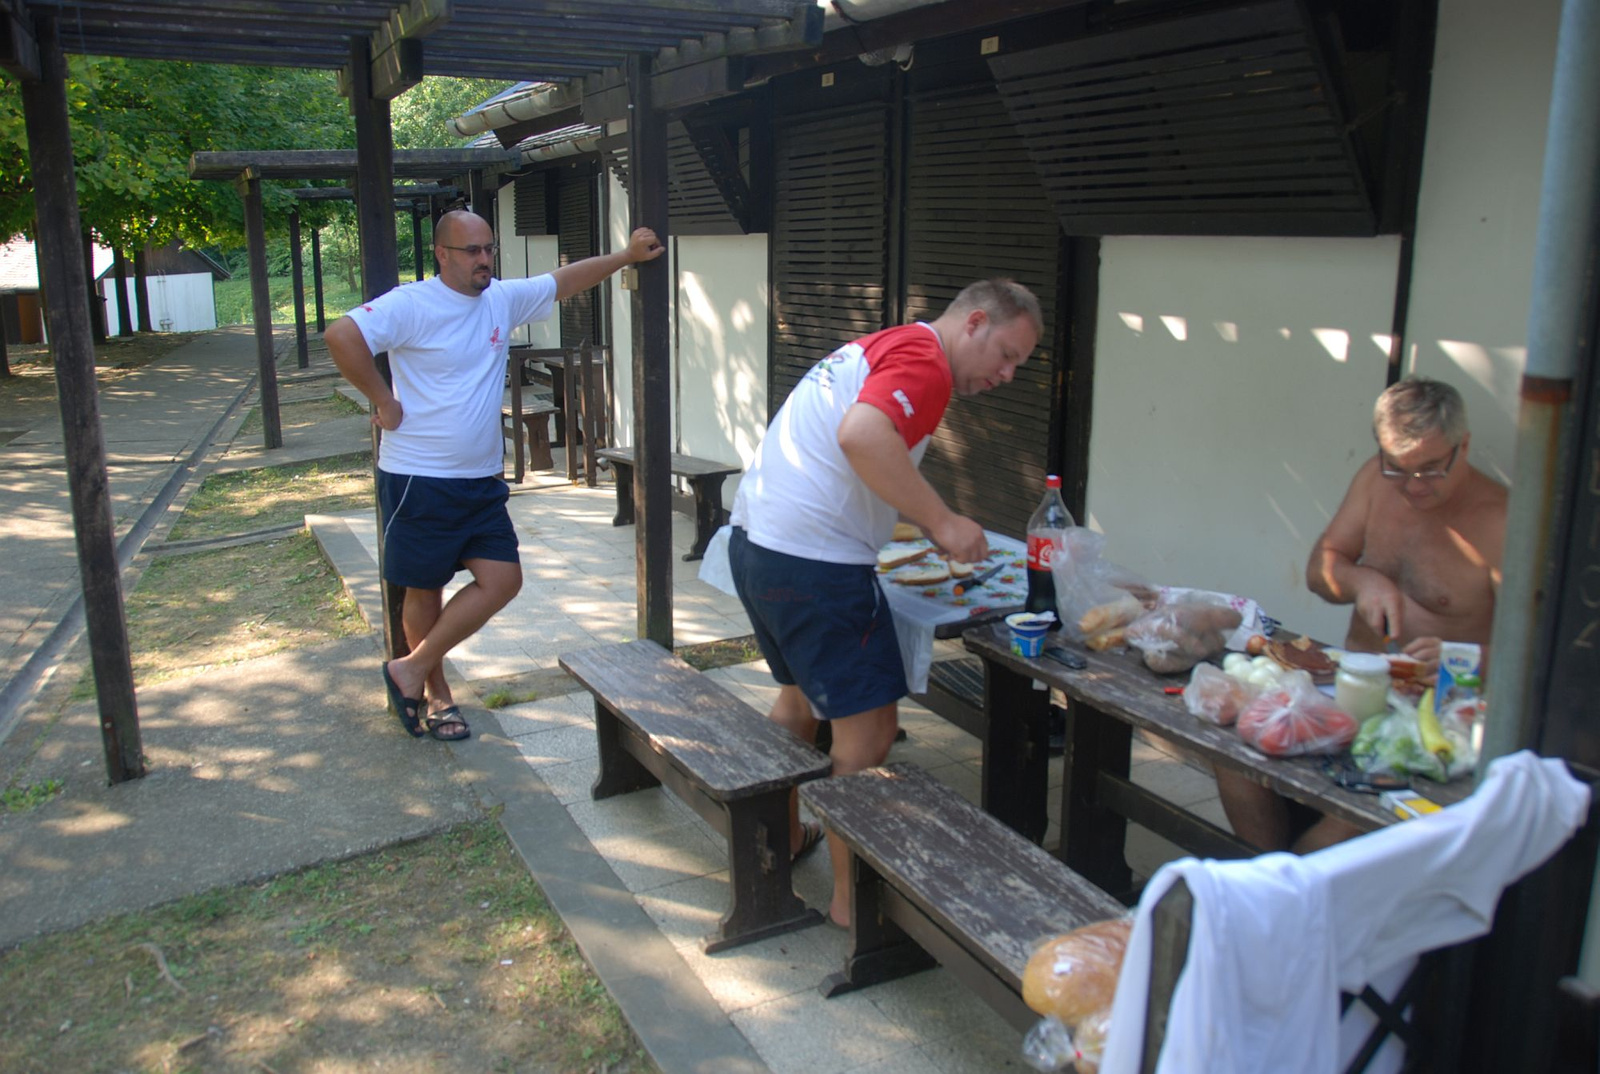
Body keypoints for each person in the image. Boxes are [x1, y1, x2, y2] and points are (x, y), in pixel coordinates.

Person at [727, 279, 1042, 927]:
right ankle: (855, 907)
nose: (1008, 374)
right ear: (975, 322)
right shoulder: (927, 362)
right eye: (1007, 355)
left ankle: (784, 841)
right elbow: (863, 436)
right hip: (814, 564)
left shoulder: (885, 345)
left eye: (1020, 366)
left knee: (798, 704)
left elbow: (850, 448)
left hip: (756, 542)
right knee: (868, 734)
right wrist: (942, 522)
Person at [325, 210, 663, 741]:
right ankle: (436, 697)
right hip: (419, 474)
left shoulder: (500, 300)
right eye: (472, 251)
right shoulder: (412, 304)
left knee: (503, 580)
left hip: (481, 479)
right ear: (442, 254)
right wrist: (384, 400)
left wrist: (625, 256)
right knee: (425, 588)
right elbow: (342, 334)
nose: (485, 259)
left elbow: (564, 280)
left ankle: (408, 667)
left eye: (489, 249)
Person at [1217, 376, 1507, 851]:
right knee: (1232, 751)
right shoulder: (1376, 480)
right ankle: (1269, 878)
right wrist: (1362, 580)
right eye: (1399, 468)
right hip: (1348, 690)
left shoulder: (1501, 521)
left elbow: (1544, 653)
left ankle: (1282, 894)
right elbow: (1320, 570)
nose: (1413, 486)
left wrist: (1467, 657)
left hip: (1432, 716)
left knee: (1346, 828)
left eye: (1431, 469)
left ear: (1465, 445)